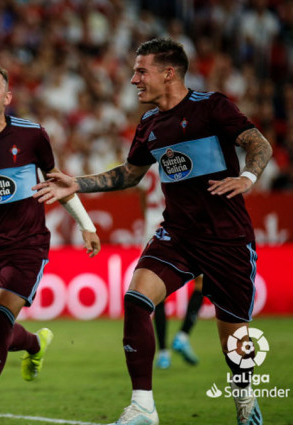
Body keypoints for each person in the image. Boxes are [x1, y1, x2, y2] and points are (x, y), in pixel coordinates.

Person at [34, 38, 272, 425]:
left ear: (169, 72)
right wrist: (77, 183)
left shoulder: (211, 107)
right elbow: (129, 174)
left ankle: (246, 404)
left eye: (141, 71)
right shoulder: (149, 124)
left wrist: (247, 176)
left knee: (234, 338)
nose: (133, 80)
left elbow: (257, 143)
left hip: (227, 239)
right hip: (177, 235)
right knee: (136, 300)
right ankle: (143, 406)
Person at [0, 63, 101, 425]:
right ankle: (34, 344)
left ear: (7, 97)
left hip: (27, 245)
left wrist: (87, 225)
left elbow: (59, 183)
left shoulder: (32, 135)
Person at [139, 167, 203, 369]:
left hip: (152, 224)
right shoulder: (179, 157)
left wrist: (149, 216)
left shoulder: (146, 162)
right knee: (202, 281)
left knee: (156, 288)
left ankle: (163, 352)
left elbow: (141, 193)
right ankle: (183, 335)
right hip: (175, 222)